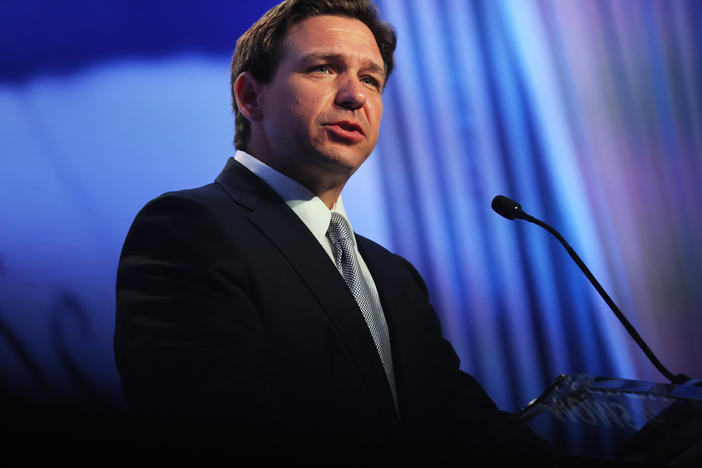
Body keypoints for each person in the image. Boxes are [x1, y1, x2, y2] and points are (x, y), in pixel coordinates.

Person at [114, 0, 552, 463]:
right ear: (250, 97)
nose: (355, 96)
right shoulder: (189, 230)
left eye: (371, 79)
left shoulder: (393, 276)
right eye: (323, 68)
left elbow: (466, 427)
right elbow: (213, 428)